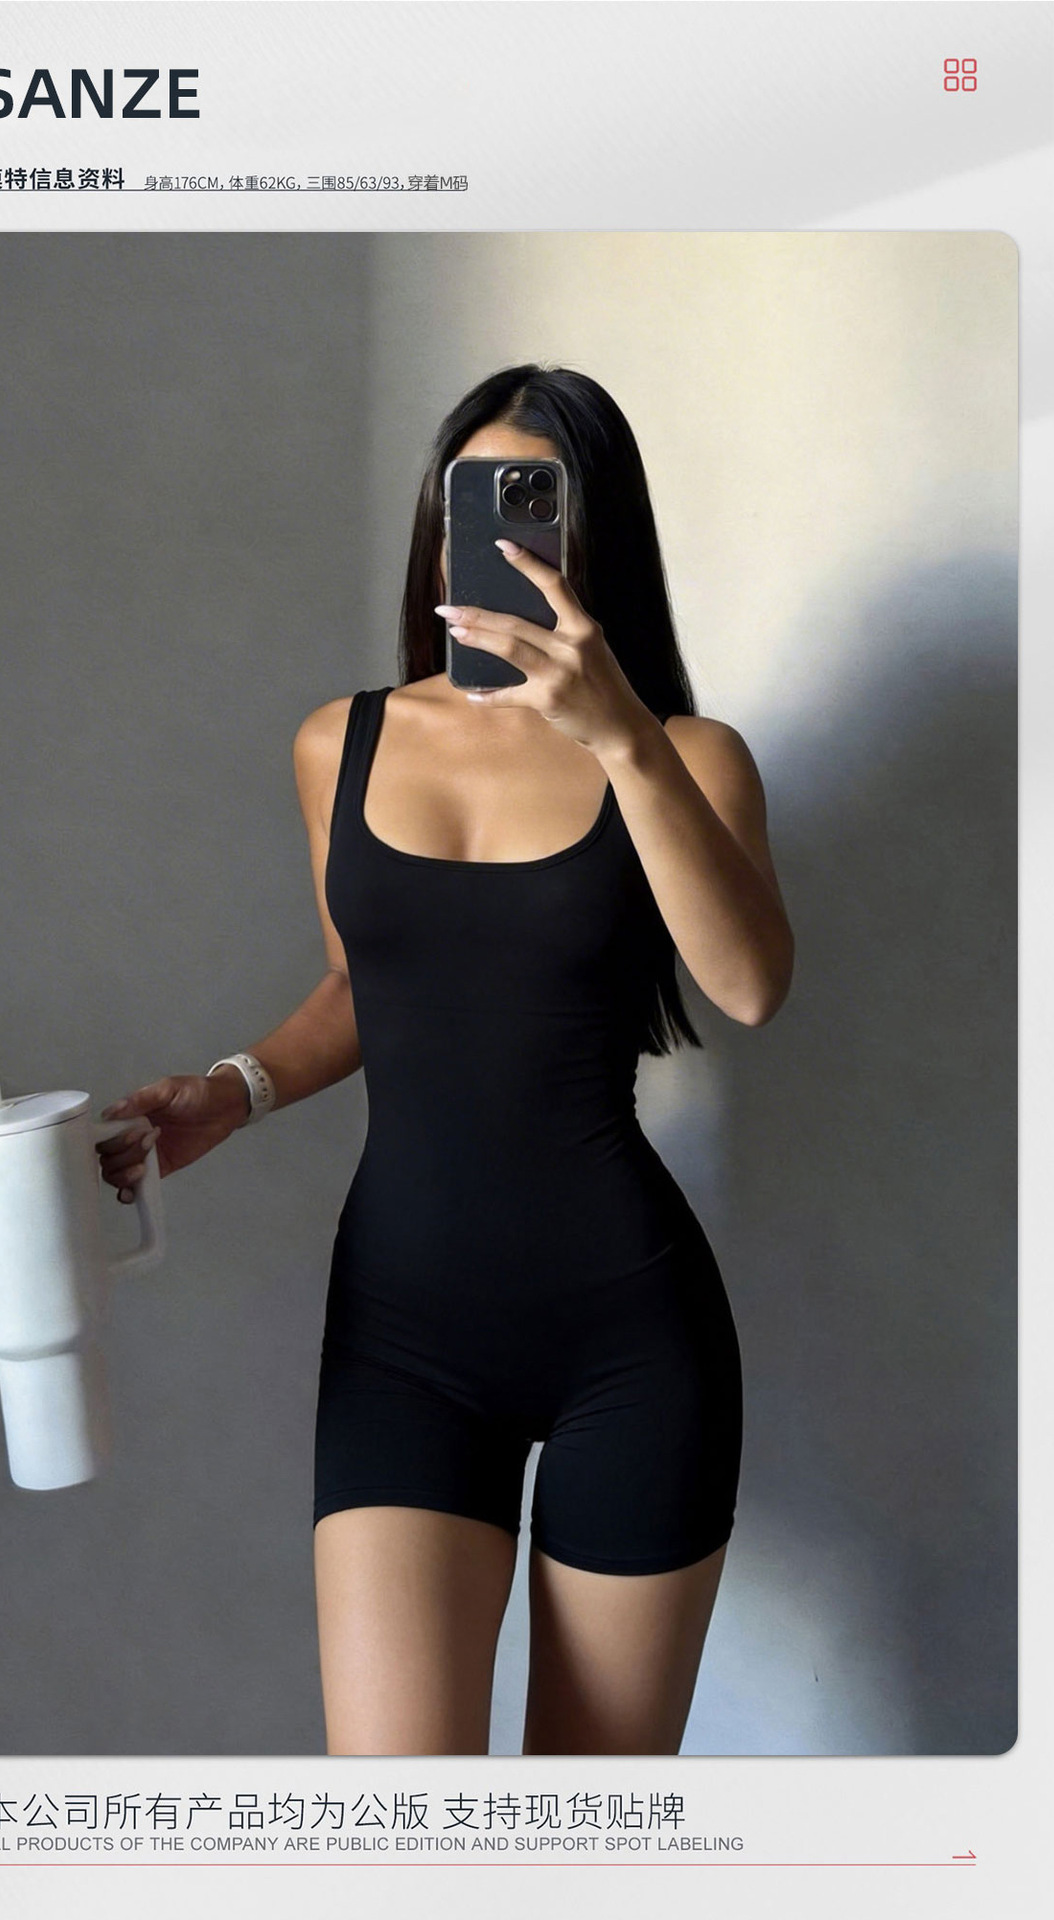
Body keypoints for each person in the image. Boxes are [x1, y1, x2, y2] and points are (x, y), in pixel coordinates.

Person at [97, 365, 794, 1757]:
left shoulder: (686, 757)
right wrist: (233, 1091)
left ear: (595, 541)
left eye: (536, 508)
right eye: (473, 506)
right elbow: (367, 985)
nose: (500, 541)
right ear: (436, 529)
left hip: (630, 1338)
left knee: (583, 1842)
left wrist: (617, 736)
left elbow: (749, 986)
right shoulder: (341, 743)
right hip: (402, 1336)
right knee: (400, 1834)